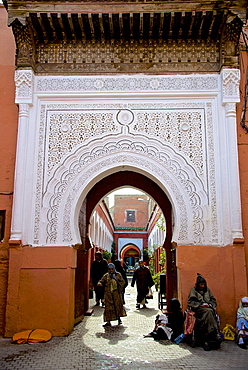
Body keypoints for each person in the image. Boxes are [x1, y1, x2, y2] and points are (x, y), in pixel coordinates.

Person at [188, 273, 221, 351]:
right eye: (201, 284)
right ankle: (214, 331)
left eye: (204, 284)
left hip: (208, 308)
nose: (202, 286)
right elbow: (191, 302)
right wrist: (200, 305)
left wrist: (210, 304)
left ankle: (209, 336)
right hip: (199, 309)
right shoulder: (194, 290)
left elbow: (213, 300)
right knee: (209, 312)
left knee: (210, 312)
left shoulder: (207, 290)